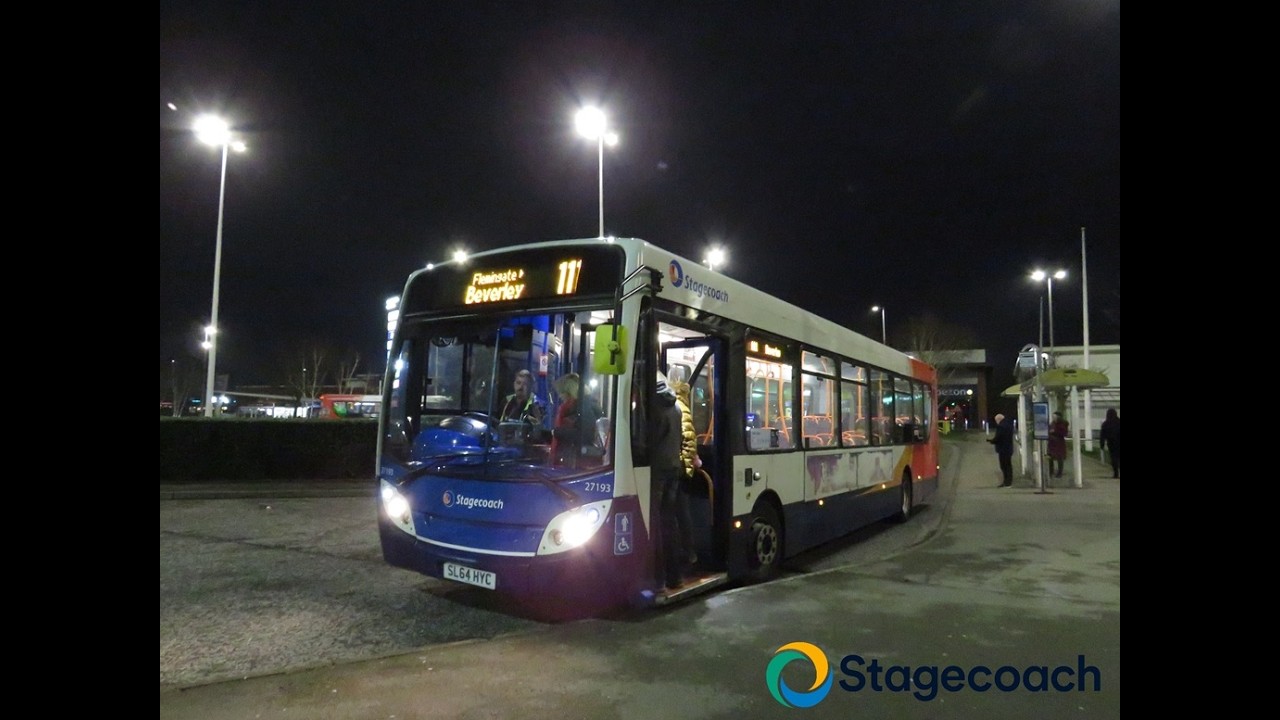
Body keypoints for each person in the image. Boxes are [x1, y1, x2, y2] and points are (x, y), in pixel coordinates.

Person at [651, 371, 689, 589]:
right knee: (669, 521)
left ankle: (659, 579)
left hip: (658, 471)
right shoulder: (675, 406)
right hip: (674, 467)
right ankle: (675, 576)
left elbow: (653, 441)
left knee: (654, 523)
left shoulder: (656, 408)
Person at [670, 372, 701, 570]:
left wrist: (684, 464)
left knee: (679, 511)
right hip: (681, 466)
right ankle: (687, 552)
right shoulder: (681, 405)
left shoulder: (678, 407)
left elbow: (688, 440)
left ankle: (688, 553)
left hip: (679, 468)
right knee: (680, 511)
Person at [550, 373, 601, 466]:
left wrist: (557, 432)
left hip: (577, 464)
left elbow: (585, 435)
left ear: (570, 392)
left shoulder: (584, 408)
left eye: (562, 393)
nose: (561, 397)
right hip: (574, 460)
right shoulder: (580, 407)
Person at [988, 413, 1014, 487]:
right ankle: (1008, 482)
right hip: (1009, 448)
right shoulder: (1009, 425)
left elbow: (998, 437)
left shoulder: (1001, 426)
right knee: (1008, 465)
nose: (996, 422)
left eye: (996, 421)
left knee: (1004, 466)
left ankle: (1007, 482)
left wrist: (992, 441)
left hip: (1003, 449)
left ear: (998, 420)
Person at [1100, 408, 1120, 479]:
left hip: (1111, 443)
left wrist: (1102, 445)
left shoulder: (1105, 424)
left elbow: (1102, 435)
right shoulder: (1119, 422)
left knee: (1114, 458)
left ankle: (1116, 473)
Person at [1047, 411, 1068, 478]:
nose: (1053, 418)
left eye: (1054, 416)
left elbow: (1064, 433)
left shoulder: (1062, 424)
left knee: (1059, 458)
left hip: (1059, 443)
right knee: (1050, 458)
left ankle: (1059, 473)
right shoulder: (1052, 423)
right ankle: (1051, 471)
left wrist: (1054, 431)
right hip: (1052, 443)